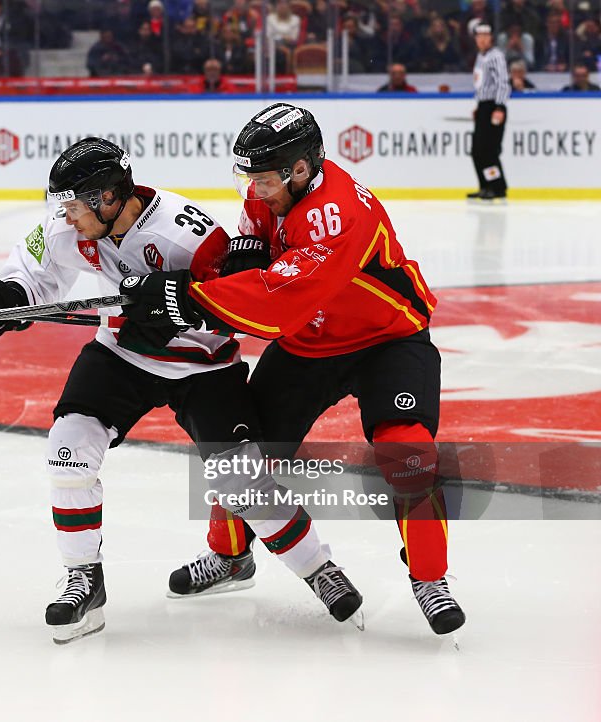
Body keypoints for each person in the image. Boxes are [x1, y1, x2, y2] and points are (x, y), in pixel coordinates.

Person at [0, 137, 363, 643]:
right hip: (121, 355)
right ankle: (85, 580)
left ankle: (318, 569)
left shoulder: (186, 235)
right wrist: (6, 300)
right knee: (68, 452)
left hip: (202, 363)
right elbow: (35, 276)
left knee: (242, 482)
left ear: (108, 197)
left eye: (78, 203)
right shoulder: (69, 227)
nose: (68, 214)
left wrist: (171, 314)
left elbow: (238, 305)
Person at [121, 104, 466, 636]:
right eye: (248, 179)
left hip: (387, 340)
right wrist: (212, 271)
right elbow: (255, 258)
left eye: (263, 179)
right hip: (311, 344)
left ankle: (429, 577)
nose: (253, 191)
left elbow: (284, 296)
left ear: (301, 169)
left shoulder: (337, 212)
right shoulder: (269, 196)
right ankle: (232, 556)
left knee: (407, 449)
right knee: (241, 449)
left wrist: (187, 300)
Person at [468, 24, 510, 201]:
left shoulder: (496, 57)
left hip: (494, 106)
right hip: (484, 106)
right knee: (477, 150)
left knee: (489, 150)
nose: (482, 39)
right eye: (479, 36)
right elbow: (482, 83)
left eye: (486, 35)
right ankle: (485, 184)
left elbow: (502, 82)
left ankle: (497, 186)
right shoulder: (480, 56)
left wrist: (499, 107)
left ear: (491, 38)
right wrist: (479, 106)